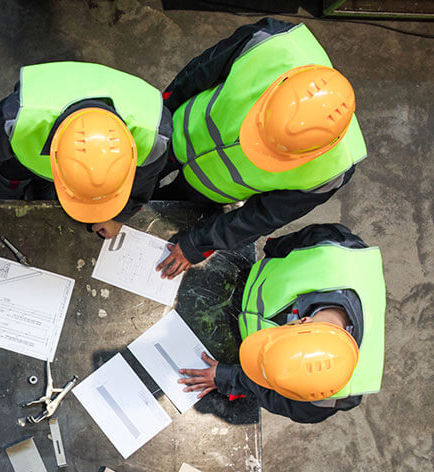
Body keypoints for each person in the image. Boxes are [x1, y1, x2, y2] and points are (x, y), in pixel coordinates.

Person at [155, 18, 366, 279]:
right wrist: (159, 118)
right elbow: (199, 72)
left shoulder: (332, 170)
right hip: (180, 129)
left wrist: (197, 244)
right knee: (140, 175)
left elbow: (261, 217)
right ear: (273, 92)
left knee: (165, 211)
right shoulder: (270, 44)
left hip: (211, 188)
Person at [179, 224, 385, 423]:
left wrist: (229, 376)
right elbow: (282, 247)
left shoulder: (329, 395)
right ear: (303, 320)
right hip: (241, 280)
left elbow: (278, 397)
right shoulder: (334, 248)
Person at [0, 61, 171, 239]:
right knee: (3, 192)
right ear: (53, 156)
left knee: (50, 200)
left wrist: (118, 216)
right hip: (19, 160)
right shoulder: (19, 120)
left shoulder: (153, 135)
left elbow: (143, 183)